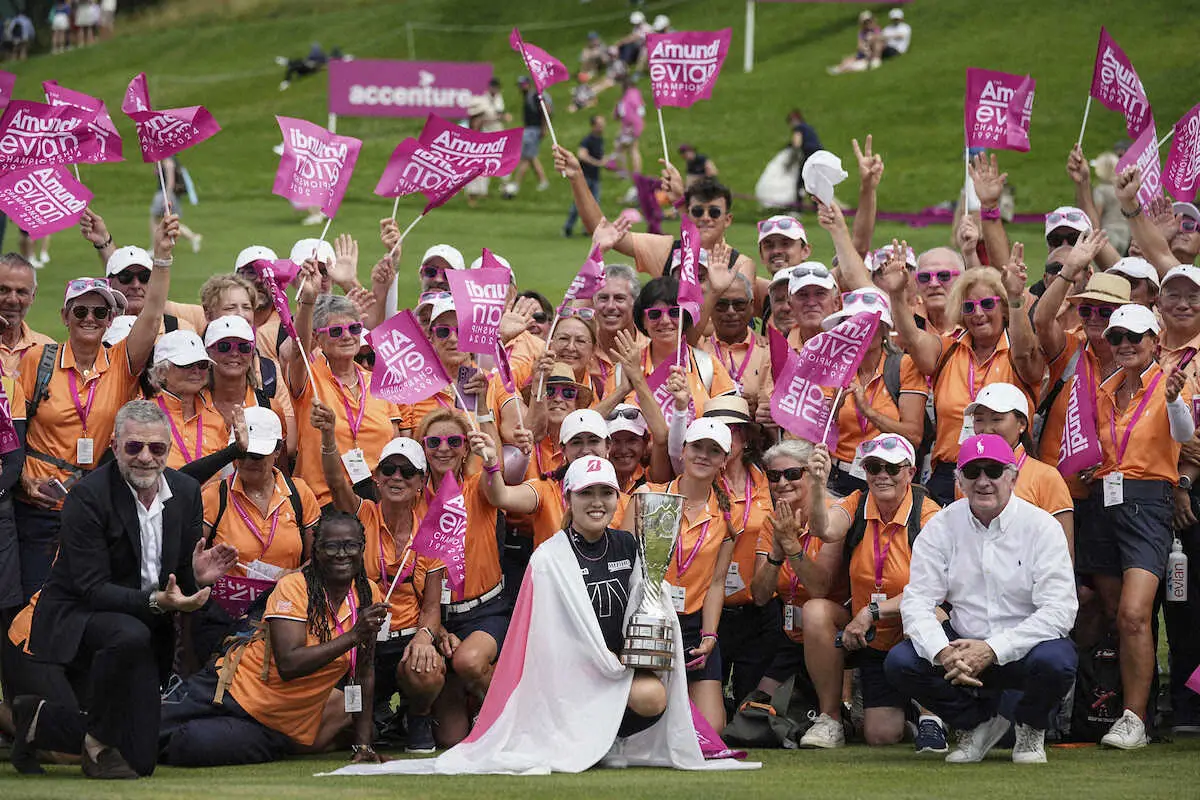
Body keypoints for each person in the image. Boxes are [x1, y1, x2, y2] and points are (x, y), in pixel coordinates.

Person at [14, 400, 238, 778]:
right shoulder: (88, 496)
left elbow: (176, 580)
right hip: (79, 616)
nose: (145, 458)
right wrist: (156, 602)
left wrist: (195, 578)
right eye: (134, 447)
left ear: (169, 449)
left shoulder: (184, 492)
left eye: (156, 448)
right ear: (115, 446)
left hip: (145, 626)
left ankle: (38, 721)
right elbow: (91, 588)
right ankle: (97, 745)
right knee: (129, 632)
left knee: (141, 760)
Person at [886, 434, 1078, 765]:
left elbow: (1060, 611)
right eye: (973, 473)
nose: (984, 481)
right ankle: (974, 724)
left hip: (1024, 650)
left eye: (993, 470)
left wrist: (993, 649)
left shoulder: (1042, 527)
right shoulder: (941, 527)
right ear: (958, 479)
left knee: (1057, 660)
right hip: (961, 652)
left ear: (1013, 476)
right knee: (901, 663)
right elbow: (916, 603)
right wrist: (943, 652)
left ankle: (1030, 726)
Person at [16, 217, 176, 601]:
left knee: (89, 601)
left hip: (95, 507)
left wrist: (163, 259)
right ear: (64, 316)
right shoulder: (37, 359)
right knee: (34, 605)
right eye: (81, 311)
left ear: (111, 320)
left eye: (100, 313)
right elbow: (12, 432)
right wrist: (22, 479)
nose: (90, 319)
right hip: (39, 506)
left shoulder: (121, 363)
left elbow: (153, 316)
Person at [158, 509, 388, 767]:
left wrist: (364, 745)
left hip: (274, 724)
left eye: (350, 545)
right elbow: (289, 664)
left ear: (362, 548)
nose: (342, 554)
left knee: (192, 744)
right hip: (229, 688)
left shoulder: (369, 594)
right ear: (317, 551)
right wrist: (354, 636)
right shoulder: (295, 587)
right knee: (145, 728)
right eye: (331, 546)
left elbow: (364, 672)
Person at [1088, 304, 1193, 749]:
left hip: (1149, 504)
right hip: (1105, 501)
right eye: (1116, 337)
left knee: (1134, 614)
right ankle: (1132, 709)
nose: (1125, 344)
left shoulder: (1171, 381)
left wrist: (1171, 399)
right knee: (1115, 614)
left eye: (1135, 336)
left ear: (1155, 339)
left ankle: (1134, 719)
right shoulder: (1105, 387)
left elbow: (1184, 432)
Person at [315, 405, 446, 753]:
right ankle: (376, 720)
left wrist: (424, 637)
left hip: (405, 641)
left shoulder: (432, 534)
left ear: (421, 482)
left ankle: (417, 714)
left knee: (427, 670)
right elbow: (334, 483)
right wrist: (329, 437)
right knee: (331, 736)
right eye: (389, 469)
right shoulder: (364, 515)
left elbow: (432, 606)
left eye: (407, 472)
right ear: (377, 476)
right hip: (360, 642)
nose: (397, 478)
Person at [801, 434, 943, 750]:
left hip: (910, 629)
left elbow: (931, 590)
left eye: (892, 468)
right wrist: (816, 486)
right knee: (880, 736)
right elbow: (824, 529)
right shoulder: (857, 501)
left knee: (933, 613)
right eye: (873, 467)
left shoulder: (928, 514)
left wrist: (871, 611)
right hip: (869, 636)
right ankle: (831, 718)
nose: (881, 475)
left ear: (910, 471)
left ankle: (932, 715)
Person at [882, 250, 1043, 505]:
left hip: (1004, 473)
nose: (977, 313)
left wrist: (1015, 298)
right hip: (950, 474)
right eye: (969, 306)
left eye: (987, 304)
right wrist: (896, 295)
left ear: (1002, 307)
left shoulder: (1017, 353)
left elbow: (1025, 352)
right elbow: (912, 338)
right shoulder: (948, 350)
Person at [637, 418, 738, 732]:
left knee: (712, 729)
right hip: (649, 619)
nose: (703, 455)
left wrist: (710, 635)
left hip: (694, 624)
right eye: (697, 447)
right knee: (649, 714)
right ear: (682, 450)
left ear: (724, 460)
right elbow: (627, 563)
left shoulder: (727, 515)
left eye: (713, 450)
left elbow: (717, 582)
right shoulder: (648, 496)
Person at [415, 408, 506, 747]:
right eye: (434, 441)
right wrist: (436, 628)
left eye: (454, 441)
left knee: (469, 661)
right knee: (452, 741)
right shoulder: (413, 498)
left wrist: (492, 457)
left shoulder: (476, 488)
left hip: (485, 610)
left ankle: (510, 713)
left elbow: (495, 485)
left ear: (466, 448)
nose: (444, 448)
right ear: (422, 447)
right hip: (440, 616)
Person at [555, 145, 757, 288]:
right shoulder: (667, 251)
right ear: (687, 212)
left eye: (714, 212)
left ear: (728, 219)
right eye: (697, 211)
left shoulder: (741, 264)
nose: (705, 217)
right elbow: (600, 229)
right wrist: (577, 178)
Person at [286, 285, 405, 507]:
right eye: (336, 331)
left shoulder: (377, 383)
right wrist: (308, 301)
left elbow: (394, 446)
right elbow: (297, 349)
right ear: (317, 338)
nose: (347, 336)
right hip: (324, 503)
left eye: (354, 328)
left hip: (378, 503)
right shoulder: (309, 379)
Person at [749, 440, 839, 695]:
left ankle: (836, 706)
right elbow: (760, 596)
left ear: (812, 475)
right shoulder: (773, 520)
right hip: (790, 635)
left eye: (792, 474)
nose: (782, 483)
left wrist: (790, 544)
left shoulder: (833, 515)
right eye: (774, 476)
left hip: (834, 634)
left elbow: (820, 588)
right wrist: (777, 552)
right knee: (758, 709)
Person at [822, 290, 927, 498]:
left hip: (887, 478)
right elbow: (819, 432)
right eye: (853, 324)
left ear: (884, 329)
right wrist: (835, 406)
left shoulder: (904, 366)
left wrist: (868, 411)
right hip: (838, 479)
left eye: (868, 324)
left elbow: (913, 436)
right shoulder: (834, 368)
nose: (860, 331)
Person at [706, 397, 776, 707]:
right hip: (709, 608)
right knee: (712, 716)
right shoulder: (700, 480)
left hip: (756, 610)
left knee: (749, 710)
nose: (725, 437)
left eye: (733, 429)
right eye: (717, 429)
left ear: (746, 436)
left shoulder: (769, 480)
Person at [963, 384, 1074, 551]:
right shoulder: (969, 475)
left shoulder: (1046, 477)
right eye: (979, 420)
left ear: (1022, 424)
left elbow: (1063, 553)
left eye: (996, 419)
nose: (986, 429)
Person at [205, 314, 296, 460]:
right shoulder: (192, 404)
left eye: (244, 347)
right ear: (208, 352)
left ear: (252, 353)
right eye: (224, 347)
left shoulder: (270, 408)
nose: (234, 353)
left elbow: (279, 468)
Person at [143, 330, 228, 471]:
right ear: (161, 371)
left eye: (202, 364)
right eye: (186, 365)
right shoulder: (142, 415)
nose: (196, 371)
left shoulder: (216, 419)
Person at [700, 274, 773, 418]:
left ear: (751, 306)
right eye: (721, 305)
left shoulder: (768, 352)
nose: (731, 312)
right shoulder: (698, 351)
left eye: (739, 305)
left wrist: (759, 408)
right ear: (710, 308)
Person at [105, 245, 196, 333]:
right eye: (126, 277)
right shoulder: (98, 331)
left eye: (145, 276)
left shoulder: (178, 329)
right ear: (109, 283)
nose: (136, 285)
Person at [0, 253, 53, 376]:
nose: (12, 300)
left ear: (32, 296)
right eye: (3, 290)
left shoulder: (48, 350)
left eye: (21, 292)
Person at [504, 76, 551, 196]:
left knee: (527, 157)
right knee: (529, 157)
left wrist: (543, 128)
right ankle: (541, 181)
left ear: (528, 84)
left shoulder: (534, 96)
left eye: (523, 84)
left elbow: (546, 110)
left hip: (533, 130)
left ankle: (517, 184)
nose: (521, 87)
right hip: (530, 130)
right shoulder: (527, 96)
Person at [563, 115, 606, 238]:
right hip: (584, 177)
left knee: (594, 205)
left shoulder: (600, 140)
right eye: (599, 124)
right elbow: (582, 155)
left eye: (603, 124)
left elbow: (600, 156)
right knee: (579, 204)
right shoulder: (587, 140)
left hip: (595, 178)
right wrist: (596, 162)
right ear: (593, 126)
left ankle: (589, 229)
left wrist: (605, 161)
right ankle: (568, 227)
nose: (602, 127)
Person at [150, 158, 202, 254]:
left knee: (156, 221)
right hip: (165, 195)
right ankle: (192, 237)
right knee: (166, 223)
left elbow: (170, 183)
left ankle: (155, 248)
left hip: (165, 195)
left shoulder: (168, 162)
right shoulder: (165, 162)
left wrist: (167, 199)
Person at [612, 75, 645, 178]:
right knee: (633, 149)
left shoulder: (629, 96)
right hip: (635, 125)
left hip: (630, 126)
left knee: (621, 148)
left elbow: (624, 112)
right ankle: (636, 173)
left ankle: (624, 172)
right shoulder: (635, 93)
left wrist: (630, 126)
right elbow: (640, 109)